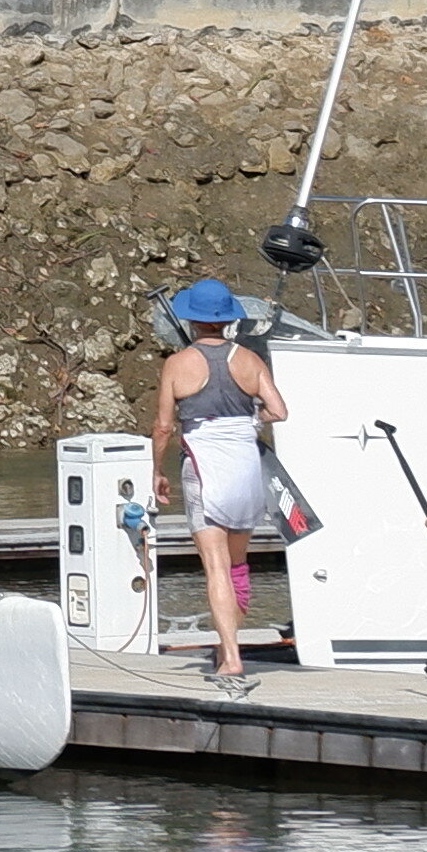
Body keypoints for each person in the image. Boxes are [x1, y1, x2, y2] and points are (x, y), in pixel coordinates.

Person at [154, 282, 287, 686]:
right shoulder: (248, 359)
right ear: (230, 319)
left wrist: (156, 471)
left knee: (215, 568)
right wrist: (249, 420)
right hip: (245, 465)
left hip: (204, 464)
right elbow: (279, 411)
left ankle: (230, 656)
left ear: (192, 320)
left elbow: (163, 427)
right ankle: (227, 646)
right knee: (237, 565)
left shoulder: (178, 363)